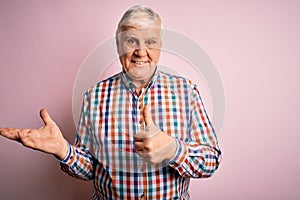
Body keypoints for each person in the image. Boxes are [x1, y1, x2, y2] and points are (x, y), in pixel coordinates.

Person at [0, 5, 221, 200]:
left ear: (160, 46)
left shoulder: (186, 91)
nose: (141, 52)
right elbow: (91, 169)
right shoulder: (94, 97)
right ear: (118, 45)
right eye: (131, 41)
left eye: (150, 42)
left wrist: (173, 150)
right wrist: (64, 150)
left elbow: (211, 161)